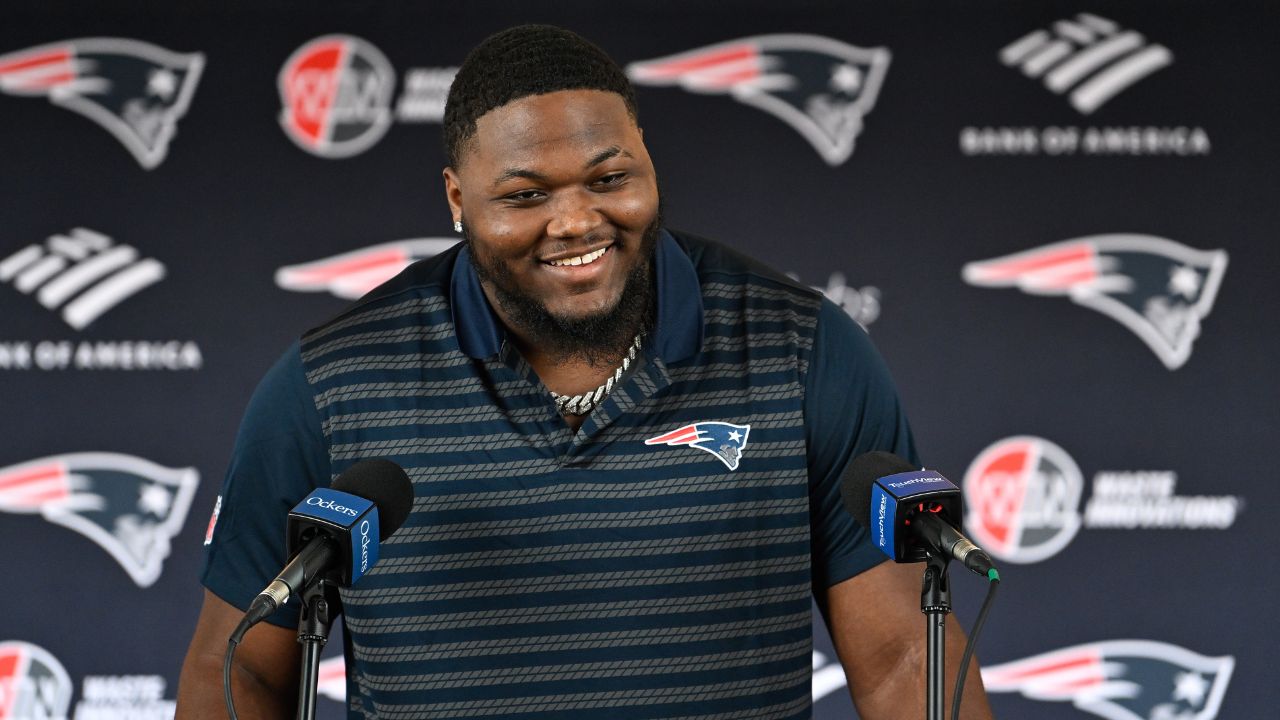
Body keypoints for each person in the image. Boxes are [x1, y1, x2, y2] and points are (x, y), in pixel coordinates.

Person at [177, 24, 993, 720]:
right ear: (457, 199)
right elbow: (240, 670)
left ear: (649, 165)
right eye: (525, 195)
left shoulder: (801, 349)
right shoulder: (333, 381)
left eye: (609, 180)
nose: (575, 221)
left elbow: (903, 661)